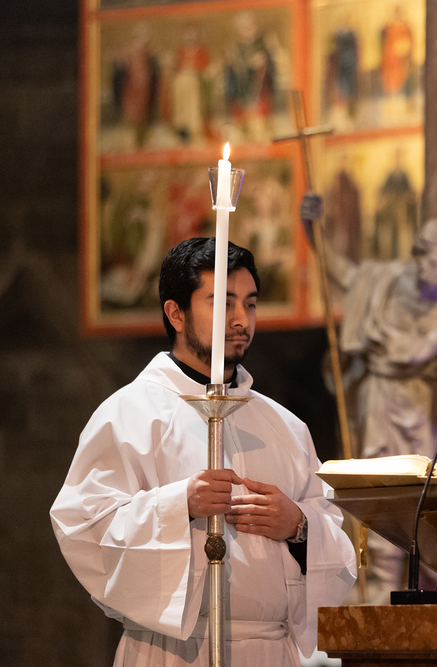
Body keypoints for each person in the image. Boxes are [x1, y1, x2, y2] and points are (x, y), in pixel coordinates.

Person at [50, 238, 357, 666]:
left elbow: (338, 544)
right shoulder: (129, 414)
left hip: (269, 651)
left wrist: (300, 526)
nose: (241, 320)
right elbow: (83, 529)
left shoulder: (286, 427)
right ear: (175, 313)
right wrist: (179, 505)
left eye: (250, 304)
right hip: (172, 651)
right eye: (223, 304)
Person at [301, 194, 437, 603]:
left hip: (423, 411)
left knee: (431, 504)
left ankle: (435, 597)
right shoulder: (381, 282)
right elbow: (337, 271)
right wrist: (314, 229)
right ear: (421, 253)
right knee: (379, 499)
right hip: (379, 403)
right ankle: (379, 594)